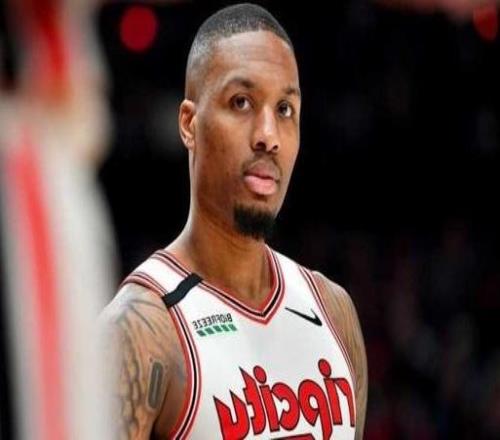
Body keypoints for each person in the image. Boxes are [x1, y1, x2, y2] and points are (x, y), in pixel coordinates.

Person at [99, 3, 368, 439]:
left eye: (285, 109)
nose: (268, 136)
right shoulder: (140, 332)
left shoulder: (335, 312)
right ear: (189, 124)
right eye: (241, 102)